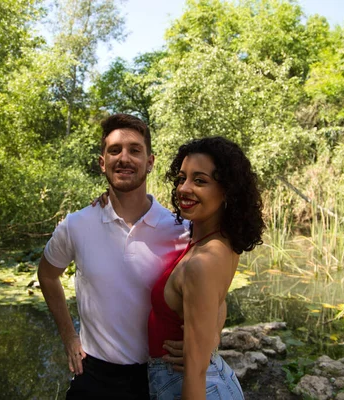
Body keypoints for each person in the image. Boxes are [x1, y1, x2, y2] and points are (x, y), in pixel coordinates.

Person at [38, 114, 200, 399]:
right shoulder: (76, 225)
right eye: (115, 150)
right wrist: (68, 336)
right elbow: (48, 275)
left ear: (150, 162)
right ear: (103, 162)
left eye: (135, 150)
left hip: (157, 375)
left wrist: (204, 342)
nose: (124, 158)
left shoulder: (181, 230)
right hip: (93, 374)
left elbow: (214, 292)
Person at [147, 136, 264, 400]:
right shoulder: (219, 241)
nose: (184, 188)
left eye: (200, 181)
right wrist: (211, 336)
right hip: (203, 379)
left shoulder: (203, 262)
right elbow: (217, 301)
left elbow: (195, 372)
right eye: (182, 178)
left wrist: (205, 345)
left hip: (189, 385)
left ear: (227, 191)